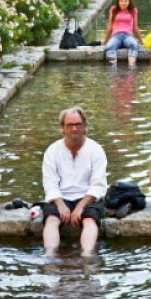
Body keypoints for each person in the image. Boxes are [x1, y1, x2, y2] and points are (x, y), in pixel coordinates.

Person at [41, 107, 108, 256]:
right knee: (51, 220)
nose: (74, 129)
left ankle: (87, 255)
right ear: (63, 128)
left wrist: (80, 207)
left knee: (90, 220)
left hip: (87, 197)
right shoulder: (52, 151)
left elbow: (98, 185)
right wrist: (60, 203)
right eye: (69, 125)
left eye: (78, 124)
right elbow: (50, 183)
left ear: (84, 126)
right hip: (61, 197)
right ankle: (49, 255)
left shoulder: (95, 150)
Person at [103, 0, 143, 66]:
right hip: (116, 36)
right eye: (121, 1)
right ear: (118, 2)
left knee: (134, 45)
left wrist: (141, 42)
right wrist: (104, 42)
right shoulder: (113, 9)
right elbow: (110, 26)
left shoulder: (133, 10)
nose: (123, 3)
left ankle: (131, 67)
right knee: (109, 47)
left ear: (129, 2)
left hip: (128, 36)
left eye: (125, 1)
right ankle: (113, 69)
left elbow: (135, 27)